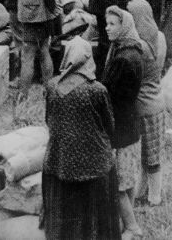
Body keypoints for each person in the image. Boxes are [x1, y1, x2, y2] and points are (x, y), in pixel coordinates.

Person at [41, 35, 119, 240]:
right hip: (94, 166)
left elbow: (49, 120)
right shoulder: (97, 90)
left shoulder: (52, 87)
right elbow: (109, 126)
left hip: (60, 162)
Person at [102, 6, 144, 239]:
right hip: (130, 124)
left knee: (115, 184)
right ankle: (126, 221)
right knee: (126, 181)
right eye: (106, 23)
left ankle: (131, 227)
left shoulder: (123, 59)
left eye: (112, 24)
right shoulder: (133, 50)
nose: (107, 28)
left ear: (124, 26)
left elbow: (107, 93)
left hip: (119, 128)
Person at [127, 0, 167, 207]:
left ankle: (154, 197)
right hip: (157, 100)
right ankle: (146, 191)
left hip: (142, 104)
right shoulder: (159, 36)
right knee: (151, 154)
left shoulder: (137, 46)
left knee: (149, 157)